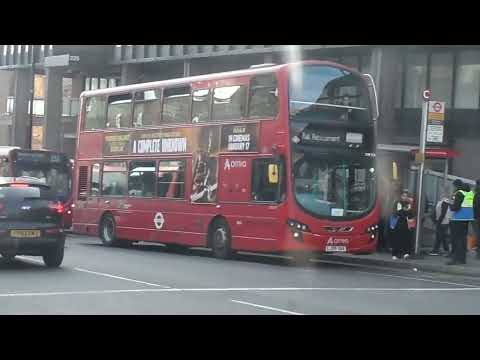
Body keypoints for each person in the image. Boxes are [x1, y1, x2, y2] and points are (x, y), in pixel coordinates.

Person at [447, 179, 475, 265]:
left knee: (456, 240)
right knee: (463, 239)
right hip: (466, 219)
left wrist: (450, 204)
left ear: (456, 186)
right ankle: (462, 259)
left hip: (457, 219)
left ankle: (455, 259)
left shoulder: (459, 193)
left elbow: (455, 207)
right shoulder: (470, 193)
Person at [388, 189, 415, 260]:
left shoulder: (408, 204)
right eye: (404, 196)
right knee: (397, 239)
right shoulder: (398, 203)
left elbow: (410, 213)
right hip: (398, 223)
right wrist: (405, 211)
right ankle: (395, 254)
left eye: (406, 196)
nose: (405, 197)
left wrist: (405, 211)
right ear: (401, 196)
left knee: (406, 239)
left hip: (405, 223)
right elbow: (399, 213)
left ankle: (405, 253)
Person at [473, 179, 480, 260]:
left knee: (478, 235)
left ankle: (478, 254)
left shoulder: (477, 194)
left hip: (477, 217)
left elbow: (476, 206)